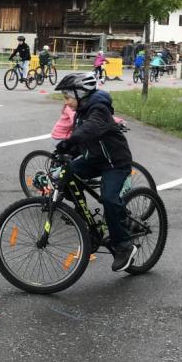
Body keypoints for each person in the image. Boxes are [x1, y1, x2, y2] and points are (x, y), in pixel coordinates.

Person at [53, 72, 137, 272]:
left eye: (68, 97)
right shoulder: (82, 111)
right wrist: (66, 151)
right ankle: (86, 225)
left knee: (109, 199)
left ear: (81, 93)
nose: (66, 102)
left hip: (115, 162)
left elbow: (91, 129)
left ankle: (124, 246)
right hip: (95, 159)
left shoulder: (99, 109)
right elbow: (84, 140)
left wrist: (70, 141)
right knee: (65, 176)